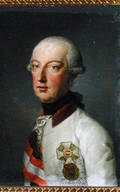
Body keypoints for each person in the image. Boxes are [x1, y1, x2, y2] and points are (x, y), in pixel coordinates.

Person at [23, 36, 117, 186]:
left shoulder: (90, 133)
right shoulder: (40, 126)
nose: (41, 77)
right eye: (36, 66)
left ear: (72, 75)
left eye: (54, 67)